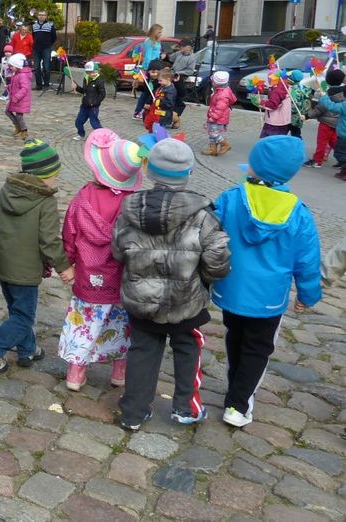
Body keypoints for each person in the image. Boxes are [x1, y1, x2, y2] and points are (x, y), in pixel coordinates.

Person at [113, 139, 231, 430]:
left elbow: (118, 250)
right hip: (186, 301)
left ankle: (133, 412)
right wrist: (206, 278)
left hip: (142, 300)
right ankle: (185, 408)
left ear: (150, 171)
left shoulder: (129, 210)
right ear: (189, 173)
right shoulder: (203, 215)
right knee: (188, 350)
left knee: (142, 351)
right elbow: (218, 258)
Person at [211, 136, 321, 428]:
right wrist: (308, 295)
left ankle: (236, 388)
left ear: (254, 167)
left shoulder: (231, 198)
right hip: (269, 299)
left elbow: (208, 234)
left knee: (235, 338)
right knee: (258, 348)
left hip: (231, 289)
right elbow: (307, 260)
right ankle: (238, 403)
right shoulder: (298, 213)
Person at [59, 130, 145, 391]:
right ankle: (120, 370)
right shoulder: (134, 203)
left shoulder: (84, 196)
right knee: (120, 323)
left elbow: (70, 231)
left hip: (88, 273)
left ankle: (76, 372)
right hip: (121, 277)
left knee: (85, 322)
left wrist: (69, 263)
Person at [0, 140, 68, 373]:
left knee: (18, 311)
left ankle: (28, 349)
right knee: (24, 317)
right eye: (54, 175)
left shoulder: (7, 190)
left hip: (4, 264)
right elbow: (49, 240)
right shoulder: (45, 201)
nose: (56, 180)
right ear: (44, 175)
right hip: (25, 270)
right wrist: (64, 266)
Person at [304, 68, 344, 168]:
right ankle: (343, 160)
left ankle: (317, 161)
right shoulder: (343, 93)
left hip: (326, 122)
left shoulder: (327, 94)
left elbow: (319, 109)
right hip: (338, 122)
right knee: (335, 142)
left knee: (321, 142)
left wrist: (307, 115)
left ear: (328, 80)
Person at [317, 70, 346, 179]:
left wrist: (323, 96)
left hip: (343, 134)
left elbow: (331, 106)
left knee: (340, 153)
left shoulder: (344, 105)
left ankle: (344, 171)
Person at [201, 70, 237, 157]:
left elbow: (219, 109)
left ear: (217, 83)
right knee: (211, 132)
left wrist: (213, 117)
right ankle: (212, 149)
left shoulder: (222, 95)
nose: (212, 82)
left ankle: (224, 143)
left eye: (213, 81)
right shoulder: (223, 90)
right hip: (217, 116)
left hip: (218, 118)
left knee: (213, 133)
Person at [72, 61, 105, 140]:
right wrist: (76, 87)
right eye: (89, 72)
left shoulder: (99, 80)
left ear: (97, 71)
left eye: (93, 72)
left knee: (94, 124)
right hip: (84, 105)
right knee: (78, 122)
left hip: (93, 107)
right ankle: (81, 134)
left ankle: (103, 136)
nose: (91, 74)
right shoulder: (86, 79)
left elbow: (102, 94)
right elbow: (84, 91)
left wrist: (95, 102)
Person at [4, 53, 32, 140]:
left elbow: (24, 88)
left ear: (18, 66)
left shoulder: (22, 75)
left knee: (19, 116)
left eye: (12, 66)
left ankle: (24, 130)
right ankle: (18, 126)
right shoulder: (16, 74)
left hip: (20, 100)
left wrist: (17, 97)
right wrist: (8, 86)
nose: (10, 68)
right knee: (8, 111)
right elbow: (15, 85)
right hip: (14, 99)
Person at [255, 72, 292, 138]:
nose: (268, 80)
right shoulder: (285, 86)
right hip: (284, 120)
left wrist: (261, 102)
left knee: (268, 141)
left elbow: (272, 105)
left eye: (269, 78)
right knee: (279, 142)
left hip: (274, 122)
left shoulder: (276, 91)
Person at [30, 9, 57, 90]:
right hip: (36, 49)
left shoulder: (50, 25)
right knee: (36, 67)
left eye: (43, 15)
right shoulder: (34, 26)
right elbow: (33, 36)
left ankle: (46, 84)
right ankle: (38, 85)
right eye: (40, 15)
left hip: (46, 48)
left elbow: (54, 37)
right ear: (37, 16)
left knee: (46, 67)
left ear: (46, 16)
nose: (41, 16)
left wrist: (49, 45)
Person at [286, 69, 311, 140]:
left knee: (294, 134)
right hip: (301, 115)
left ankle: (297, 145)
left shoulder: (293, 90)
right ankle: (298, 145)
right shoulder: (304, 87)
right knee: (296, 133)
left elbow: (294, 104)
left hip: (293, 117)